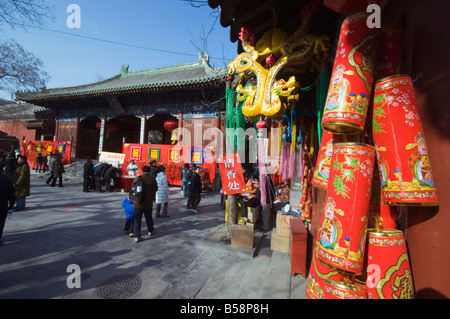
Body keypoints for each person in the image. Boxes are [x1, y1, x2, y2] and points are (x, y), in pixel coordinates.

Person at [132, 165, 158, 243]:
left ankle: (137, 236)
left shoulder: (137, 178)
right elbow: (156, 189)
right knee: (148, 218)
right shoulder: (152, 180)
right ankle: (150, 231)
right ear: (149, 171)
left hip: (137, 203)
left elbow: (132, 188)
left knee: (137, 220)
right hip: (147, 203)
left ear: (142, 171)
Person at [0, 168, 15, 245]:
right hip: (2, 204)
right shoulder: (7, 180)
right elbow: (11, 194)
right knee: (1, 221)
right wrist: (11, 204)